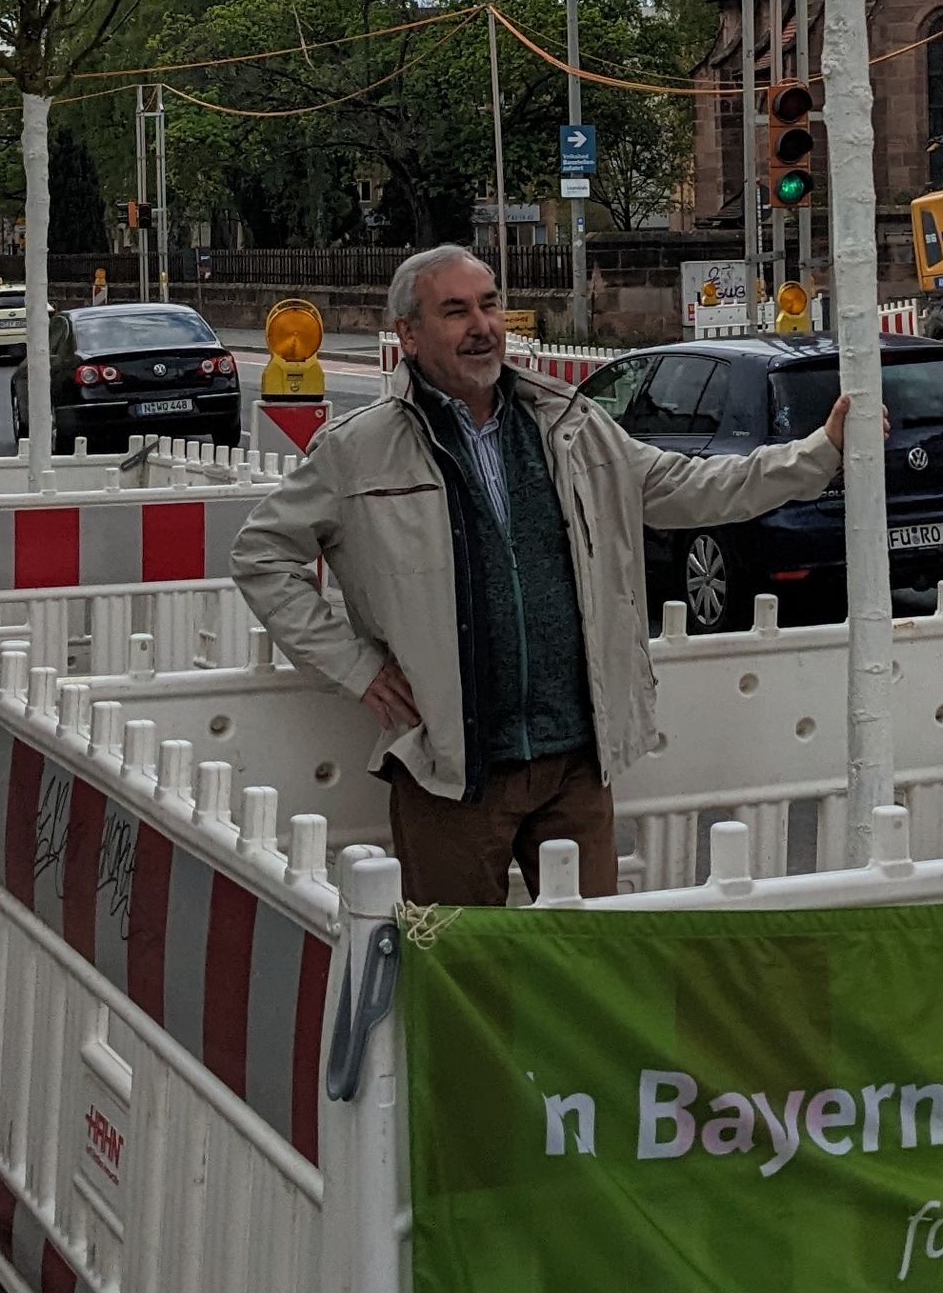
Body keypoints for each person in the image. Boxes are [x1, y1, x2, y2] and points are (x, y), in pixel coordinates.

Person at [228, 245, 854, 904]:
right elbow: (261, 554)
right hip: (454, 766)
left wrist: (821, 453)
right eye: (455, 311)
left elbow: (689, 485)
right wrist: (356, 669)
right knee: (459, 966)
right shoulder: (360, 450)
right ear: (409, 336)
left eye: (490, 304)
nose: (482, 325)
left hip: (575, 763)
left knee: (587, 965)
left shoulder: (568, 424)